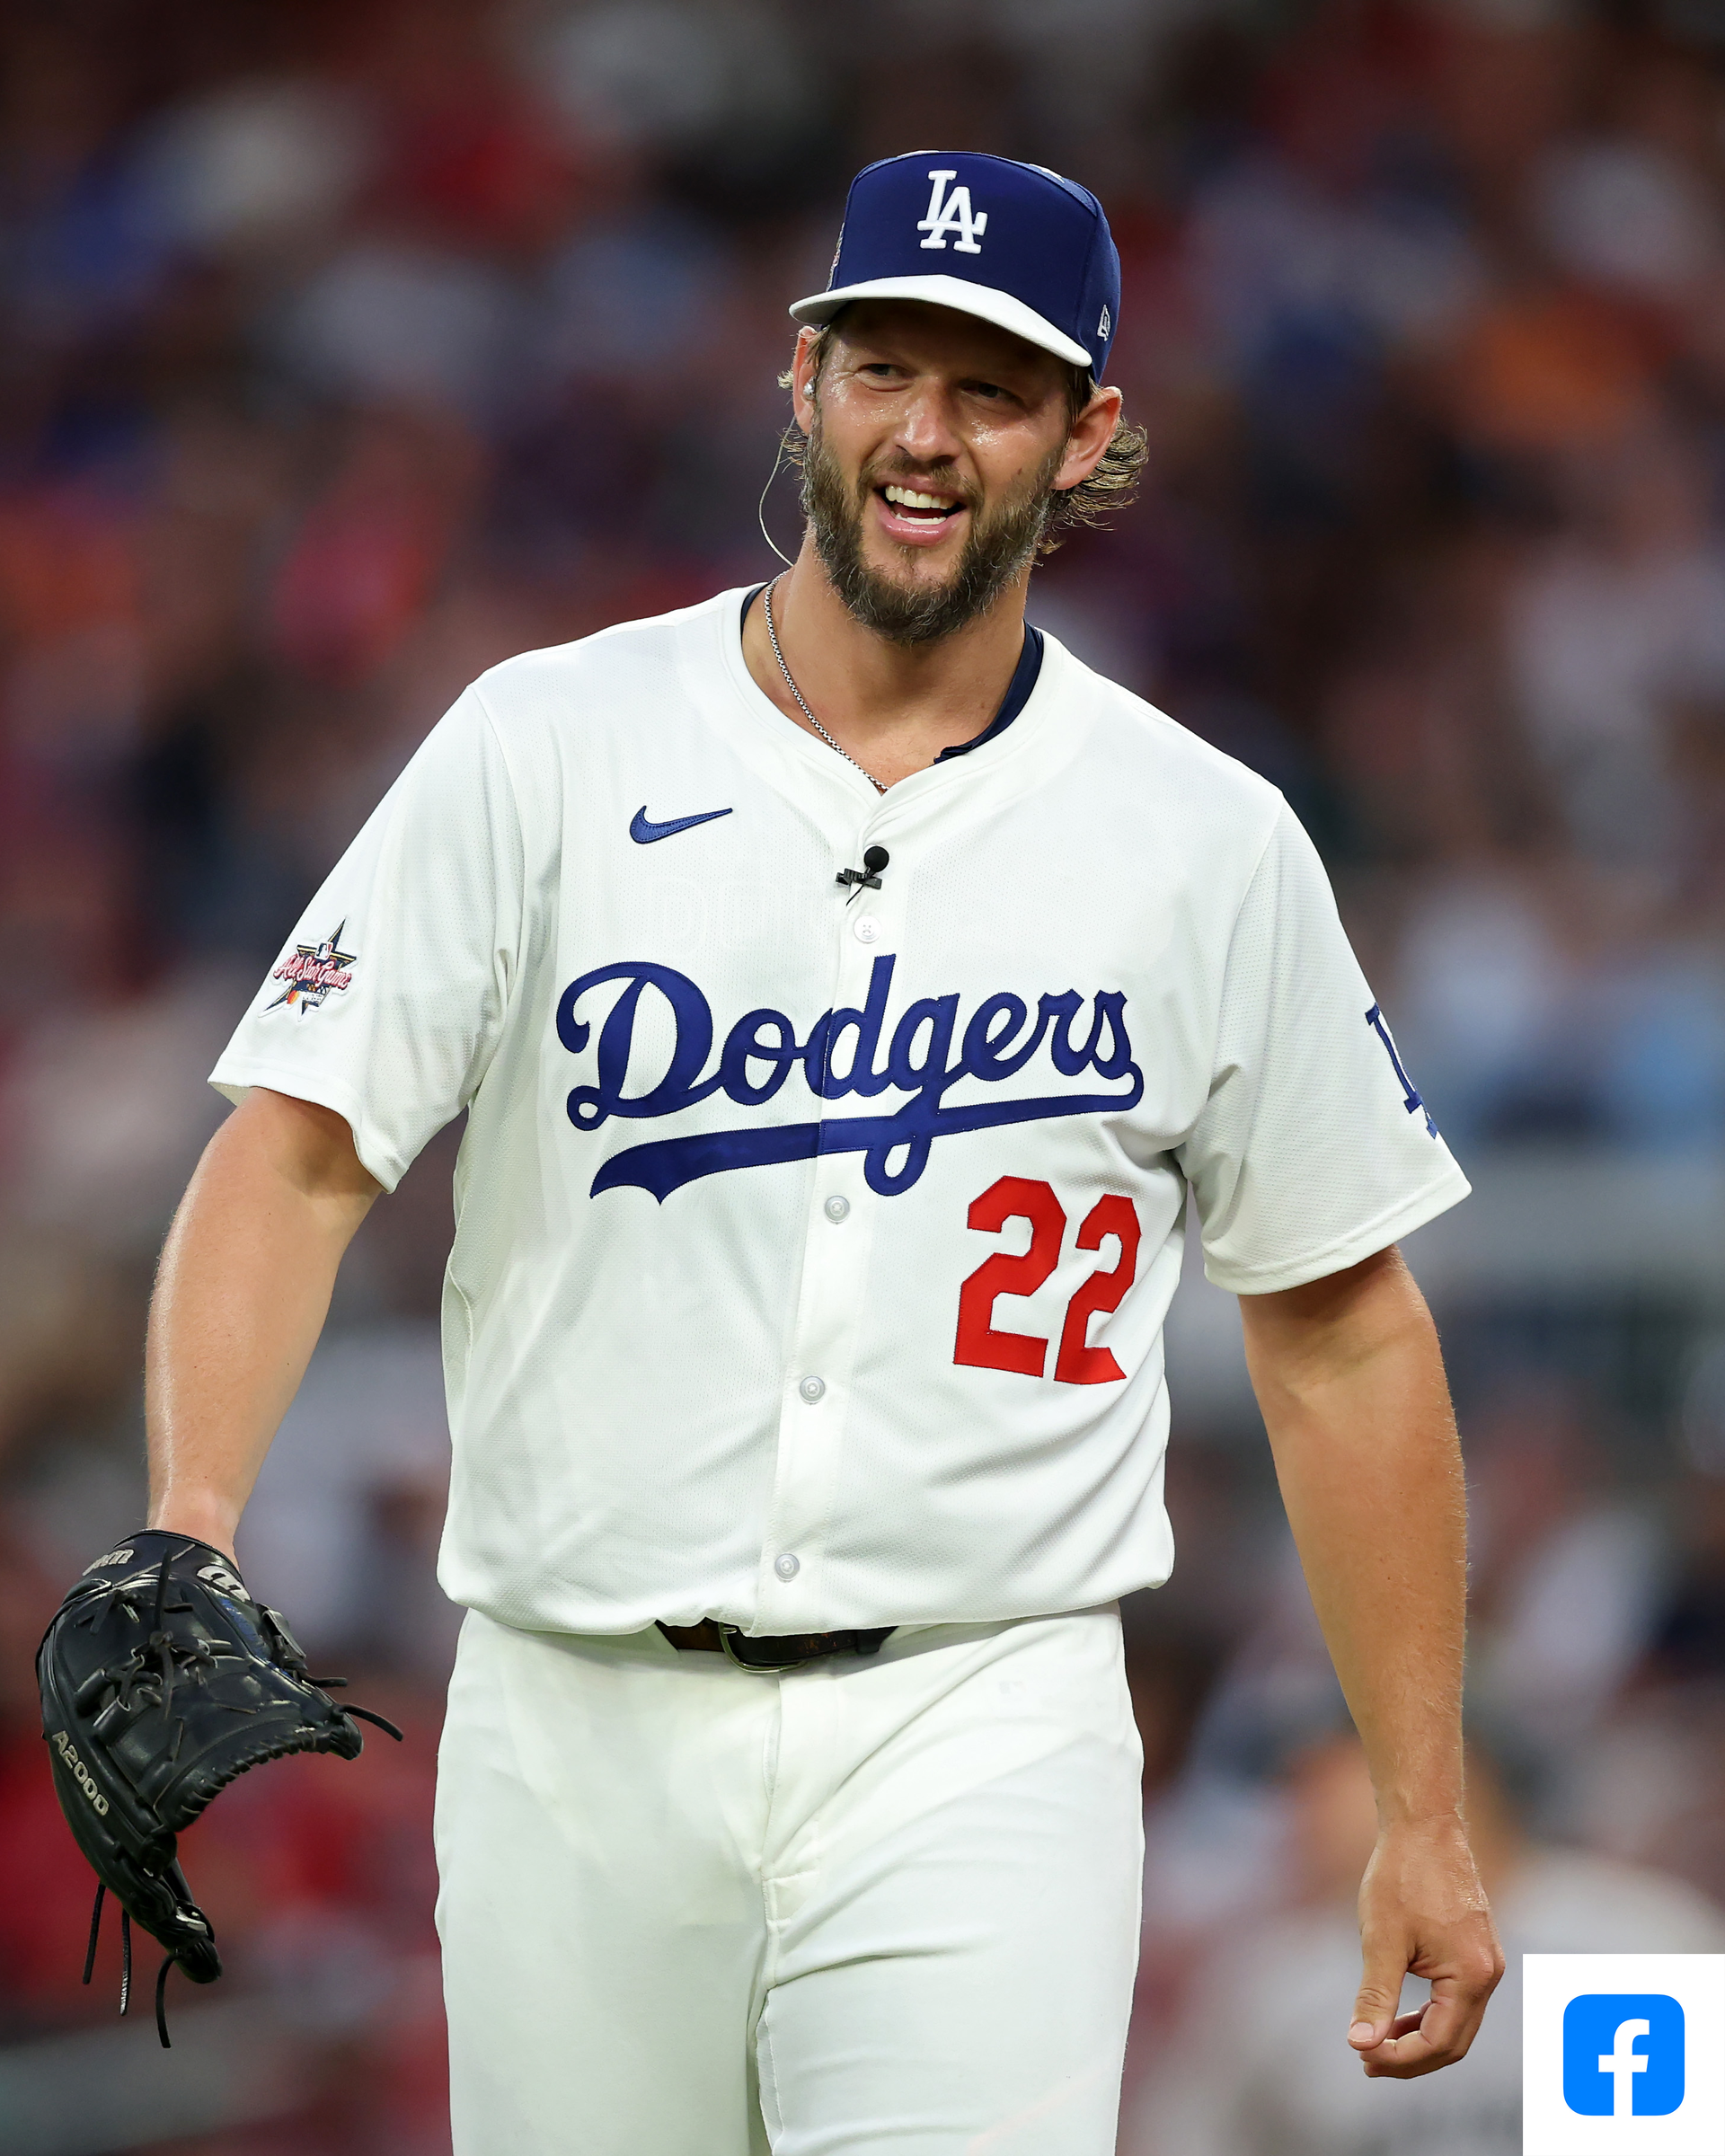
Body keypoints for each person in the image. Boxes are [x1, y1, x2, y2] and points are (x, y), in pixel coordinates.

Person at [137, 153, 1499, 2153]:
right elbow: (299, 1151)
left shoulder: (1203, 837)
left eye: (993, 387)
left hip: (984, 1715)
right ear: (804, 381)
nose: (926, 435)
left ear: (1088, 431)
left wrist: (1425, 1814)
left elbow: (1347, 1334)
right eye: (884, 369)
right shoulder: (551, 742)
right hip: (570, 1714)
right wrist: (188, 1516)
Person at [1125, 1727, 1725, 2156]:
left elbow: (1667, 2139)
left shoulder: (1628, 1941)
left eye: (1325, 1777)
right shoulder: (1273, 1978)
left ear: (1451, 1764)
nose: (1297, 1813)